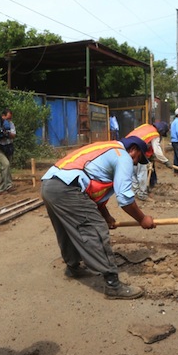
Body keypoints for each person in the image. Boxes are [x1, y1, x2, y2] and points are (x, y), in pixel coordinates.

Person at [41, 129, 157, 300]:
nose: (134, 163)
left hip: (50, 185)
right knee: (96, 229)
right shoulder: (122, 156)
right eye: (137, 158)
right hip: (67, 188)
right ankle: (113, 284)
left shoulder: (105, 148)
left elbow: (94, 194)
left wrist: (107, 216)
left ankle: (73, 267)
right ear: (133, 149)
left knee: (67, 228)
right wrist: (142, 219)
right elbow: (125, 198)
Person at [131, 122, 173, 199]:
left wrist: (150, 155)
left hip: (129, 149)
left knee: (133, 174)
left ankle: (135, 192)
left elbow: (146, 142)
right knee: (141, 174)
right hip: (138, 152)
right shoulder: (154, 134)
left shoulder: (147, 127)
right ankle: (142, 194)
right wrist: (165, 161)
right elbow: (157, 151)